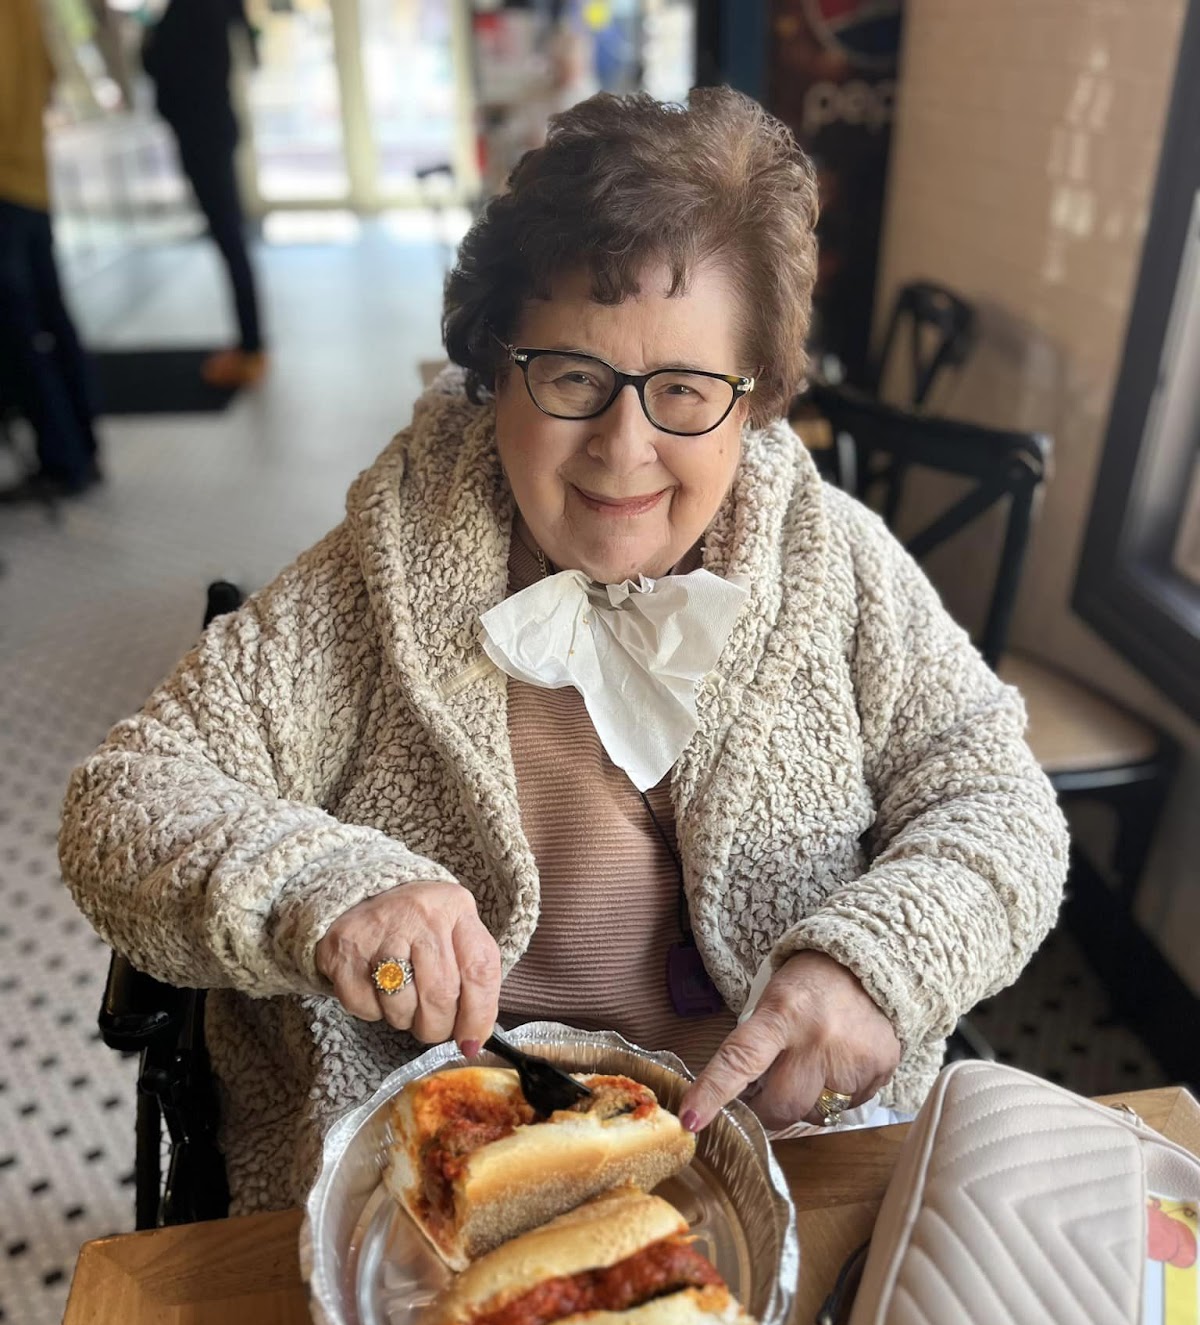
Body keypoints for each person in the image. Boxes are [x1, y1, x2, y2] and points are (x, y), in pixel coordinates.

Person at [59, 90, 1067, 1214]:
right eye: (574, 377)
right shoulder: (378, 569)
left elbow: (1001, 802)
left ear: (755, 404)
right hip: (450, 1160)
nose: (623, 451)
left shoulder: (834, 561)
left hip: (780, 1158)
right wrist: (330, 886)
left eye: (684, 390)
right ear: (499, 365)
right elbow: (122, 803)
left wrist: (879, 962)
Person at [0, 0, 101, 502]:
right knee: (53, 323)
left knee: (20, 334)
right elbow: (48, 72)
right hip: (32, 180)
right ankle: (84, 448)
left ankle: (63, 460)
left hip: (4, 190)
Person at [143, 0, 266, 388]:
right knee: (231, 241)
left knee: (230, 240)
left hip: (204, 135)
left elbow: (164, 66)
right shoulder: (208, 8)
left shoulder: (195, 10)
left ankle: (251, 347)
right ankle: (250, 343)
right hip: (209, 131)